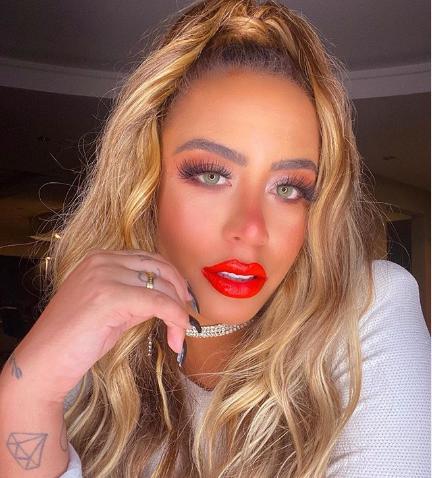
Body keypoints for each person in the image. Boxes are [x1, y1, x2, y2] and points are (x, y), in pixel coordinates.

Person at [0, 0, 430, 477]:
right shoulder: (103, 341)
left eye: (289, 188)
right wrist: (26, 392)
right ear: (145, 178)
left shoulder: (365, 309)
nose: (252, 228)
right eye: (211, 175)